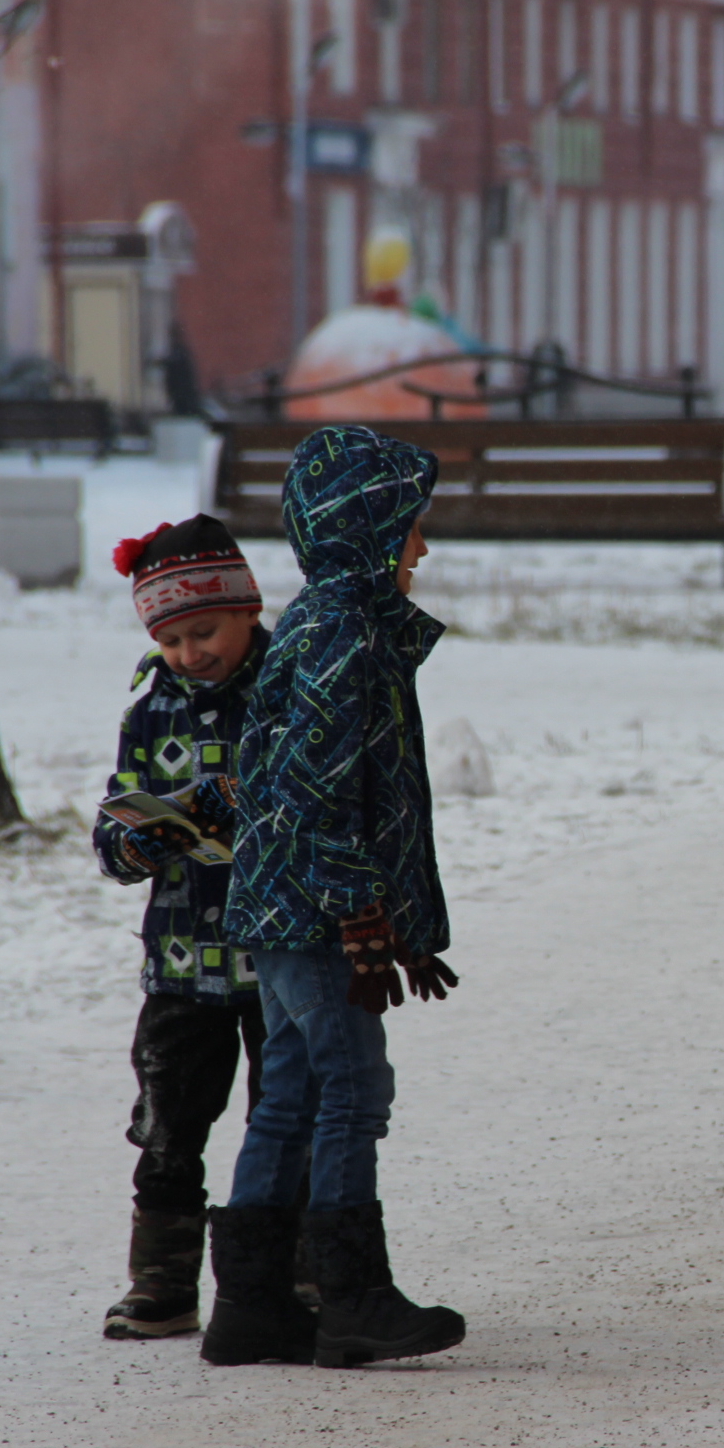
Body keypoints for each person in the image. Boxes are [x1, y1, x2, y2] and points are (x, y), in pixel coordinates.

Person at [200, 425, 466, 1370]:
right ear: (367, 528)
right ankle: (351, 1296)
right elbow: (317, 789)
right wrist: (360, 916)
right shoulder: (343, 632)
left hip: (282, 905)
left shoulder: (333, 623)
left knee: (291, 1092)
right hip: (312, 911)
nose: (422, 549)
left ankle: (253, 1306)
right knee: (351, 1088)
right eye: (411, 528)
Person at [90, 516, 270, 1341]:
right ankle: (160, 1283)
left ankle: (279, 1276)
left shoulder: (284, 689)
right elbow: (110, 830)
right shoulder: (150, 710)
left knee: (283, 1119)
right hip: (180, 961)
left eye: (205, 631)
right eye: (171, 639)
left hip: (278, 957)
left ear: (248, 610)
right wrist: (136, 839)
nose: (191, 654)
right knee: (168, 1126)